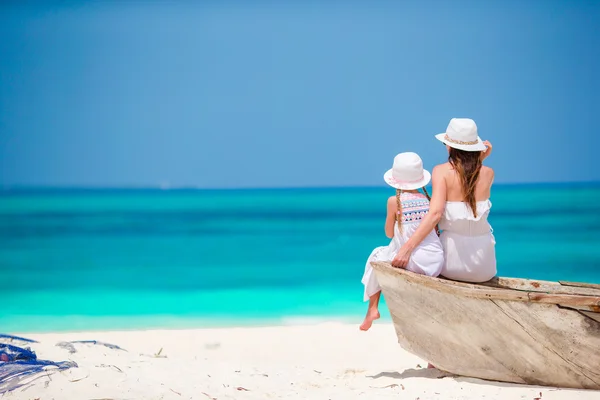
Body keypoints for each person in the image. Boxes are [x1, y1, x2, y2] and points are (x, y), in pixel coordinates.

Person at [391, 118, 496, 283]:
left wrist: (406, 249)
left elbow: (435, 214)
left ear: (450, 147)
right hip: (485, 267)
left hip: (451, 265)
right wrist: (480, 160)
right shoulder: (489, 173)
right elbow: (469, 181)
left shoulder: (441, 172)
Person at [360, 152, 444, 331]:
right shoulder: (429, 201)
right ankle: (373, 309)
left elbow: (389, 234)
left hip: (415, 261)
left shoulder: (393, 202)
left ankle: (373, 308)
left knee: (376, 255)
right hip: (436, 261)